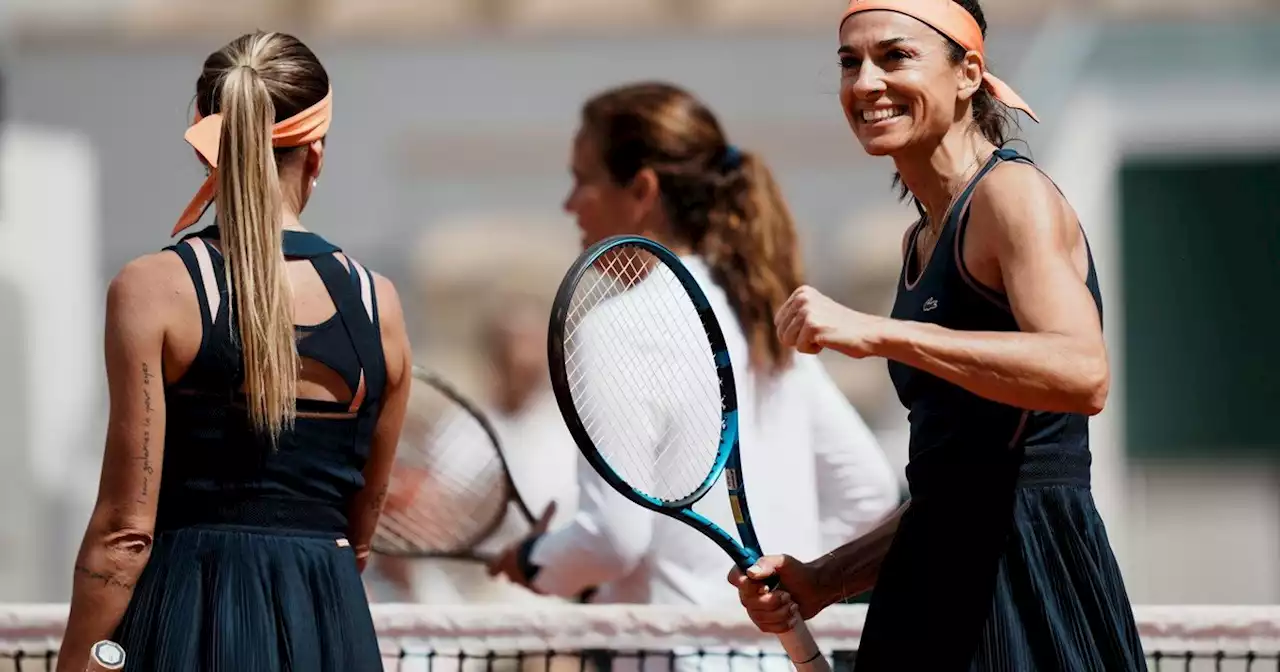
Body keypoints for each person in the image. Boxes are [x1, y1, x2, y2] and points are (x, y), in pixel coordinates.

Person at [727, 1, 1147, 670]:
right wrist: (825, 579)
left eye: (894, 57)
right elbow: (952, 486)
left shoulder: (1013, 196)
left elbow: (1082, 371)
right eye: (849, 63)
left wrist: (883, 336)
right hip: (930, 591)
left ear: (968, 73)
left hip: (1030, 587)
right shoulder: (920, 239)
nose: (865, 84)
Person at [55, 31, 412, 672]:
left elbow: (124, 533)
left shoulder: (152, 289)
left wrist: (81, 663)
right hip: (327, 620)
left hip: (191, 616)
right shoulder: (378, 304)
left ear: (207, 151)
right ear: (318, 154)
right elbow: (362, 527)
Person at [487, 81, 900, 609]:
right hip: (772, 655)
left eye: (582, 179)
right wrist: (783, 587)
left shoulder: (614, 325)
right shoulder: (756, 306)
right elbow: (868, 490)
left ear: (641, 191)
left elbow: (611, 540)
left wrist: (534, 561)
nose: (569, 204)